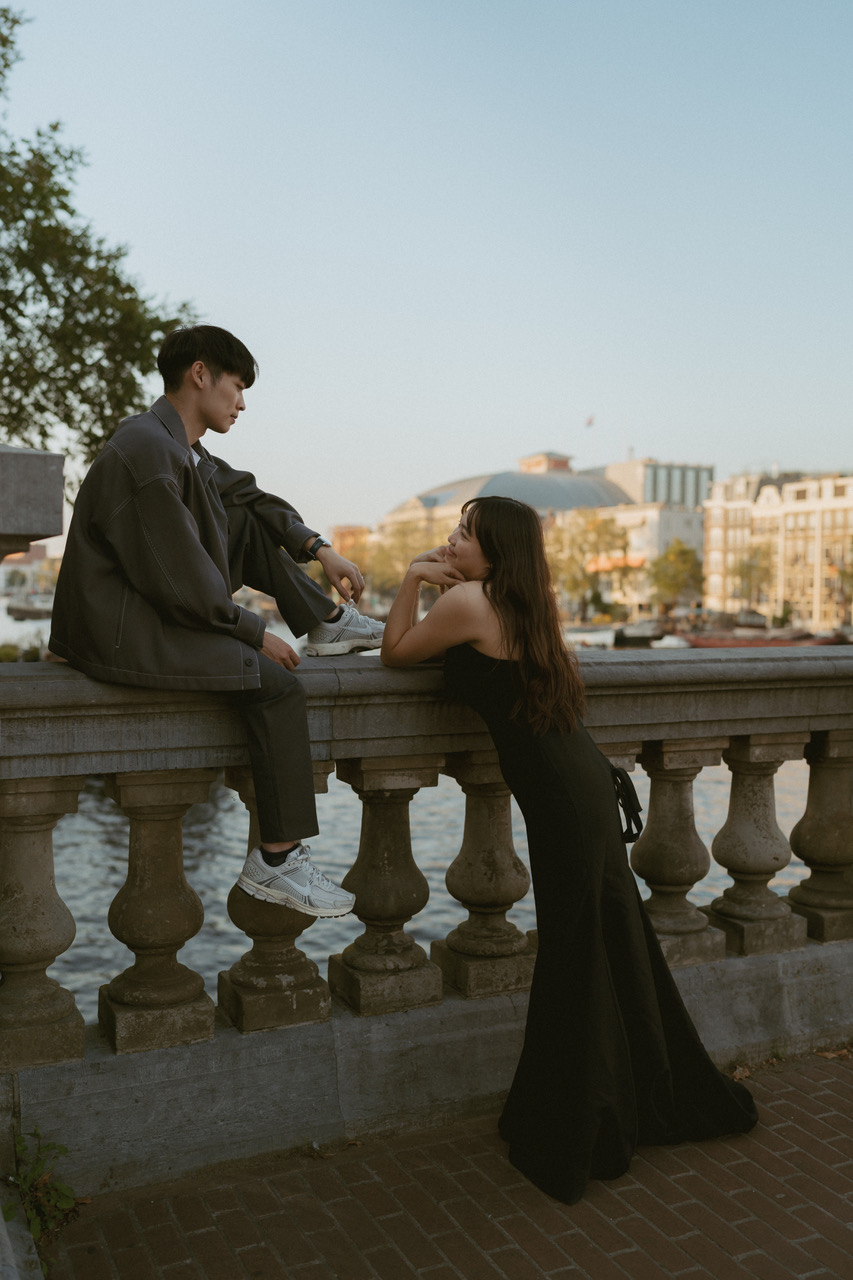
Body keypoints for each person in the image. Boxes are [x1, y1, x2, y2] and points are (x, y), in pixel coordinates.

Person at [380, 495, 757, 1205]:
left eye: (464, 534)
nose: (451, 541)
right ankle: (629, 1097)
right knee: (609, 941)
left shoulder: (469, 602)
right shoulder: (521, 601)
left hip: (561, 794)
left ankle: (584, 1121)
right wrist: (438, 582)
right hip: (579, 780)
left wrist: (409, 579)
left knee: (575, 952)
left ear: (494, 553)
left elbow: (396, 652)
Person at [50, 324, 384, 919]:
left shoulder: (182, 446)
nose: (243, 401)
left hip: (158, 607)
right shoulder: (147, 450)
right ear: (200, 374)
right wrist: (256, 634)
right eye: (237, 385)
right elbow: (178, 580)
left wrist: (320, 549)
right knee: (279, 687)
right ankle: (276, 861)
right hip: (126, 629)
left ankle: (326, 621)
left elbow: (252, 499)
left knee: (248, 520)